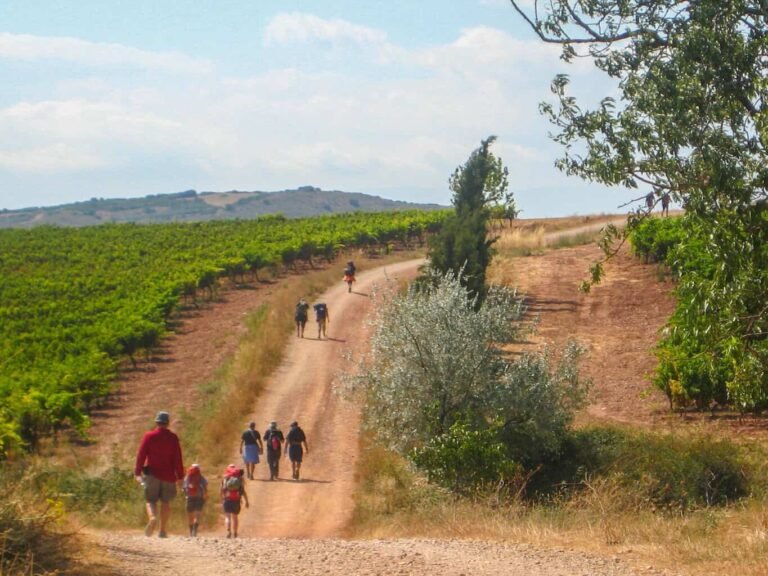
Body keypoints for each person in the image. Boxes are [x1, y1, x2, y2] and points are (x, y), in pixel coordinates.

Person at [134, 411, 185, 538]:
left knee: (150, 500)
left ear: (156, 422)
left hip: (152, 474)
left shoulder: (149, 436)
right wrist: (180, 476)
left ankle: (152, 518)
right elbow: (178, 458)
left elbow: (141, 455)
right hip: (169, 476)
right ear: (168, 423)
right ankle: (162, 530)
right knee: (166, 502)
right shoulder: (173, 438)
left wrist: (137, 472)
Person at [221, 464, 249, 538]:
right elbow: (243, 491)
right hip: (236, 500)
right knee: (235, 517)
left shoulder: (225, 478)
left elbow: (222, 490)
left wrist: (222, 499)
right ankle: (235, 533)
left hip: (227, 499)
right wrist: (246, 501)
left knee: (227, 517)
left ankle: (228, 531)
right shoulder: (239, 479)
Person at [182, 463, 208, 537]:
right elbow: (205, 487)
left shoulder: (187, 477)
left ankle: (191, 532)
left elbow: (184, 488)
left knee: (190, 516)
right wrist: (205, 496)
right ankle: (195, 530)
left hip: (189, 497)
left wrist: (185, 495)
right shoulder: (201, 477)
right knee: (197, 515)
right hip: (199, 497)